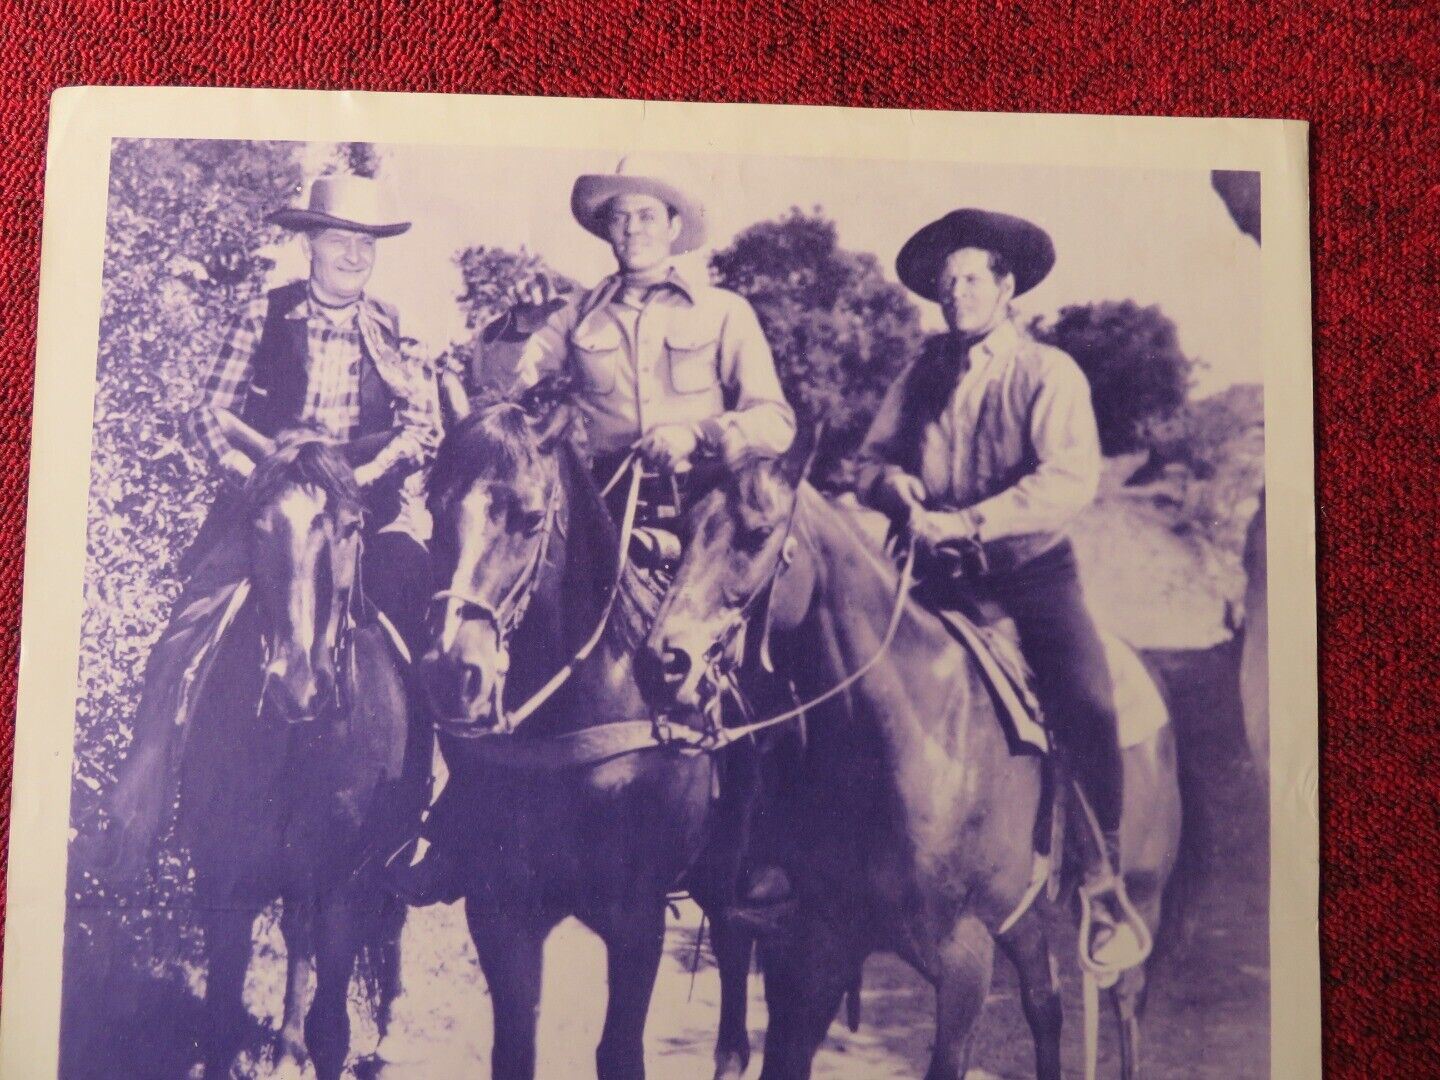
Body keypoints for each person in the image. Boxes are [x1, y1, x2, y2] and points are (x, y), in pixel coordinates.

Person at [385, 156, 797, 907]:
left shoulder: (724, 313)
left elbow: (774, 418)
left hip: (705, 514)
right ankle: (465, 824)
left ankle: (762, 849)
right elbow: (507, 385)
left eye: (647, 215)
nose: (632, 228)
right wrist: (503, 341)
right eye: (619, 217)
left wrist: (699, 435)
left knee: (762, 653)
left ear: (674, 228)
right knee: (499, 628)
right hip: (605, 513)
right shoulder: (579, 316)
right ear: (606, 231)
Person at [95, 175, 442, 881]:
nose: (353, 255)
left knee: (432, 626)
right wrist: (260, 481)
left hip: (366, 512)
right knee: (189, 623)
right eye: (340, 239)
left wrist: (365, 481)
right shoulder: (264, 314)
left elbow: (422, 426)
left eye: (365, 243)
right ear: (309, 241)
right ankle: (143, 801)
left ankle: (431, 815)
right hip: (274, 507)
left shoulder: (390, 325)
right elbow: (208, 412)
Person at [854, 208, 1147, 971]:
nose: (956, 296)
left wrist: (970, 521)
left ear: (1005, 286)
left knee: (1085, 698)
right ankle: (818, 866)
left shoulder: (1047, 372)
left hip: (1029, 578)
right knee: (848, 676)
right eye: (945, 285)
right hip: (931, 580)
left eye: (971, 280)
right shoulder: (921, 371)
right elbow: (869, 462)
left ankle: (1101, 881)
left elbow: (1067, 479)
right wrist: (896, 484)